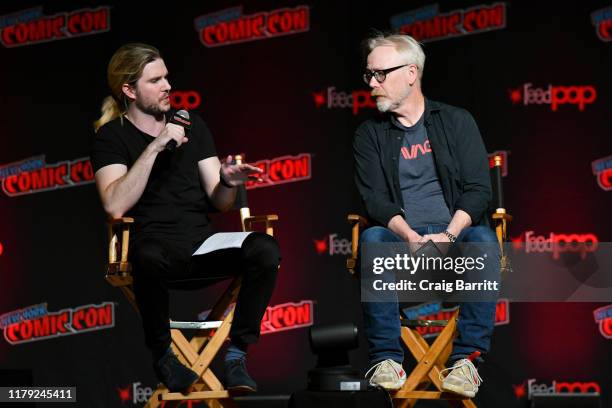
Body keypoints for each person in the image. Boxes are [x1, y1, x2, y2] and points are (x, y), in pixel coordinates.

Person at [91, 43, 280, 394]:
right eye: (155, 80)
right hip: (155, 250)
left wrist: (228, 182)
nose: (167, 86)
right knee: (146, 254)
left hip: (200, 244)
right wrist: (157, 145)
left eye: (167, 77)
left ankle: (237, 355)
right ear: (129, 90)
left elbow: (219, 201)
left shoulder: (192, 124)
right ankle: (164, 355)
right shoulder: (111, 136)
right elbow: (115, 205)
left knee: (265, 248)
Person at [353, 33, 500, 398]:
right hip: (405, 244)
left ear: (411, 73)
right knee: (372, 238)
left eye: (381, 74)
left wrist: (448, 236)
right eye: (369, 75)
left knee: (483, 239)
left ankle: (466, 361)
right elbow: (375, 200)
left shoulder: (456, 120)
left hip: (455, 242)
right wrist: (411, 238)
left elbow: (479, 190)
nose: (372, 83)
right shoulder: (369, 134)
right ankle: (387, 359)